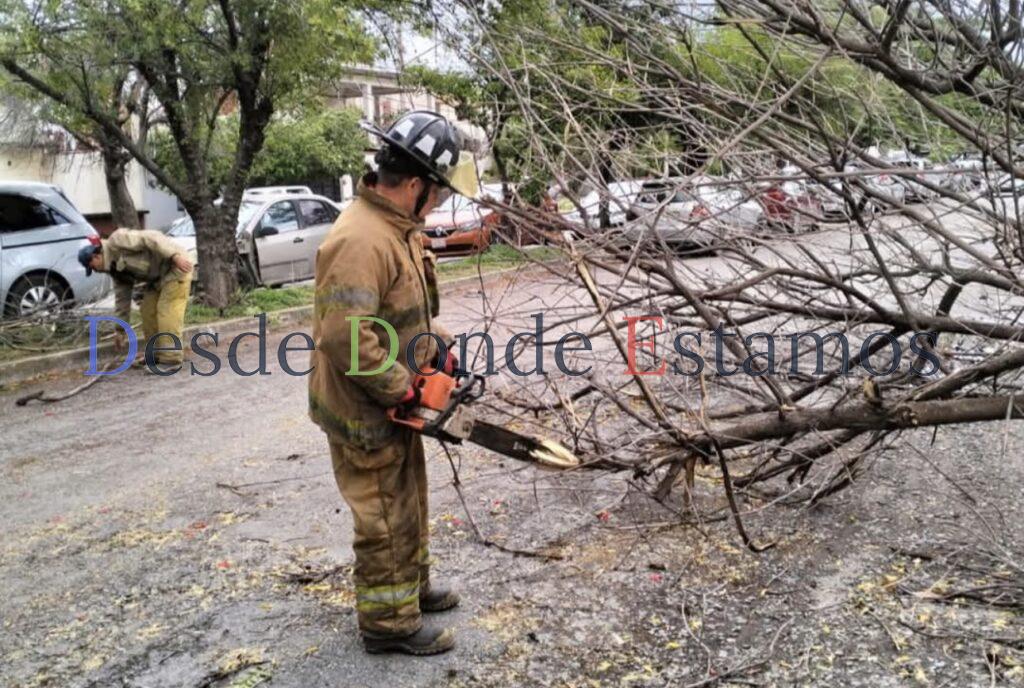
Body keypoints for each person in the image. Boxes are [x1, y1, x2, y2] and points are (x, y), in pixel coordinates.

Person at [308, 111, 478, 656]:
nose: (439, 203)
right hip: (365, 407)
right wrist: (403, 388)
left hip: (388, 399)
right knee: (382, 512)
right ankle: (388, 624)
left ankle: (412, 591)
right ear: (414, 185)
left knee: (408, 497)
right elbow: (346, 337)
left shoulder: (395, 228)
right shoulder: (361, 240)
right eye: (438, 193)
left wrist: (436, 345)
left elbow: (397, 313)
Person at [78, 228, 193, 373]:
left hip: (176, 266)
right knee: (147, 311)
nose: (95, 271)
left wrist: (174, 256)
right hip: (157, 278)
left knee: (167, 311)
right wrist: (120, 330)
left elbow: (151, 237)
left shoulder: (117, 240)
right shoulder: (115, 270)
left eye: (92, 267)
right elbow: (122, 299)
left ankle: (171, 359)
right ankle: (157, 354)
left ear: (96, 257)